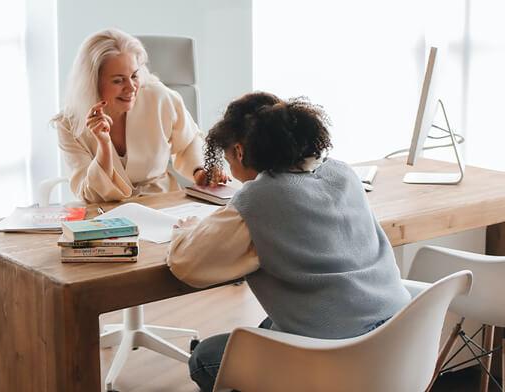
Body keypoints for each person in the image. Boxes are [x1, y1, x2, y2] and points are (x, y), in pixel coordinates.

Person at [166, 92, 411, 392]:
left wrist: (184, 231)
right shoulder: (342, 172)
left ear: (240, 152)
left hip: (341, 362)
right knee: (267, 327)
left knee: (205, 358)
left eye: (228, 156)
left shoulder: (258, 199)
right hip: (397, 343)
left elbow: (186, 264)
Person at [52, 28, 224, 203]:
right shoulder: (69, 124)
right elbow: (89, 193)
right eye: (118, 80)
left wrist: (199, 171)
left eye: (134, 76)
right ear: (92, 82)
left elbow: (188, 142)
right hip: (105, 213)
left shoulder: (159, 98)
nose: (131, 87)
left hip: (161, 202)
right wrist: (103, 146)